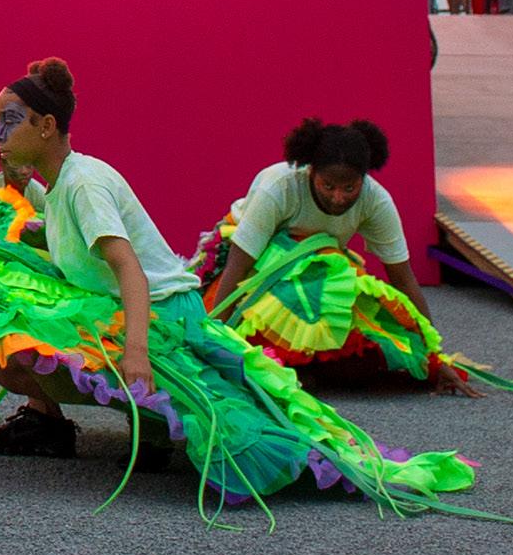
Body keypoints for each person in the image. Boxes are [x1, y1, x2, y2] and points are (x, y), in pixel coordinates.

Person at [0, 56, 477, 516]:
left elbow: (128, 267)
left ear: (45, 126)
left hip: (162, 317)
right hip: (129, 308)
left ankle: (148, 420)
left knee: (23, 345)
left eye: (9, 123)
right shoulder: (61, 182)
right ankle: (93, 423)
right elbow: (45, 224)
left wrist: (136, 353)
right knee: (6, 309)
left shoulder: (84, 184)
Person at [204, 116, 491, 392]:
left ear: (363, 179)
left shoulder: (375, 200)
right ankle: (290, 360)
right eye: (328, 186)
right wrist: (213, 340)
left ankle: (309, 365)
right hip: (257, 271)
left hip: (319, 272)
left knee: (366, 354)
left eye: (349, 188)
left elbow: (402, 279)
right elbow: (237, 266)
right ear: (311, 172)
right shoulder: (279, 187)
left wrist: (435, 358)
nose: (338, 198)